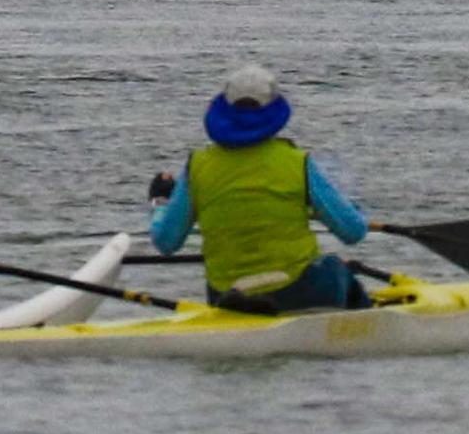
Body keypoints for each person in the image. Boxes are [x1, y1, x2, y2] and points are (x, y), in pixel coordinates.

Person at [150, 67, 373, 313]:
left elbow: (166, 243)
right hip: (298, 289)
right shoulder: (297, 162)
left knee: (228, 283)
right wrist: (350, 209)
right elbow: (353, 232)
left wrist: (160, 204)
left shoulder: (196, 167)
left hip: (224, 292)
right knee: (335, 266)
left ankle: (245, 302)